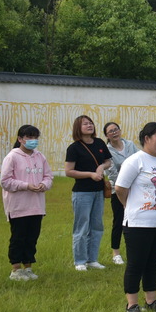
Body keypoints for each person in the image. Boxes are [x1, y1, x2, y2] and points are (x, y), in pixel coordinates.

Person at [115, 122, 156, 312]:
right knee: (136, 263)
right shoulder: (135, 160)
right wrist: (129, 206)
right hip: (138, 224)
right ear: (147, 138)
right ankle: (132, 304)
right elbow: (120, 188)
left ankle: (151, 301)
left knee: (153, 263)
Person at [0, 125, 53, 281]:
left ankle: (28, 267)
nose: (33, 141)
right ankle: (15, 269)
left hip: (36, 206)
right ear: (20, 139)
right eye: (29, 137)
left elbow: (48, 176)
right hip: (18, 206)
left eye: (35, 137)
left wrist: (44, 185)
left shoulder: (40, 156)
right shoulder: (12, 157)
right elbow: (5, 181)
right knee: (18, 238)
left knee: (31, 238)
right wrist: (26, 186)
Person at [64, 115, 112, 271]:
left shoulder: (99, 143)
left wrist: (101, 167)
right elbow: (69, 171)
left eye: (91, 123)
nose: (89, 125)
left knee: (97, 226)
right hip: (82, 193)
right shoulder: (74, 148)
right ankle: (80, 261)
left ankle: (92, 259)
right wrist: (90, 174)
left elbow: (108, 161)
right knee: (82, 227)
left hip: (98, 191)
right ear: (78, 127)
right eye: (85, 124)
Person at [104, 122, 138, 265]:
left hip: (135, 189)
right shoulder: (107, 150)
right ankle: (116, 253)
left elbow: (139, 161)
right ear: (107, 135)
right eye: (110, 131)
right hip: (118, 190)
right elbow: (111, 173)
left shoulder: (130, 145)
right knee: (118, 221)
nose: (114, 133)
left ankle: (135, 250)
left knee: (136, 221)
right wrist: (125, 184)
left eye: (116, 129)